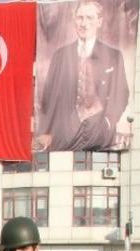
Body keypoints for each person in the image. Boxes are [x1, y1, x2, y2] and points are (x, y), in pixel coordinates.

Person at [34, 0, 129, 152]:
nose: (84, 23)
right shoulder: (60, 55)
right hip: (64, 134)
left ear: (99, 21)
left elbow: (121, 93)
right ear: (74, 21)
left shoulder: (113, 56)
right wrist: (48, 130)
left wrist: (108, 122)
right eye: (80, 18)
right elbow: (48, 97)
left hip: (100, 132)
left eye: (89, 18)